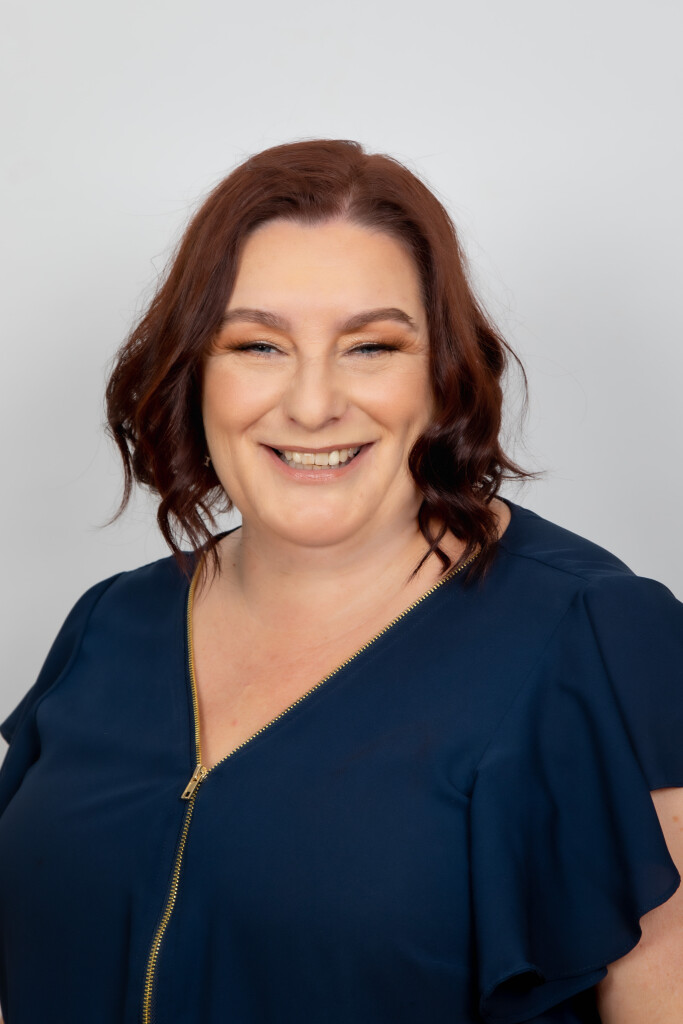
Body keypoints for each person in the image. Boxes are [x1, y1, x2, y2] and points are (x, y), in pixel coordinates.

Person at [0, 139, 681, 1024]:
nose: (313, 404)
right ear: (194, 372)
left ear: (442, 375)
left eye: (370, 347)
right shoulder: (108, 624)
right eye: (257, 345)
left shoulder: (599, 637)